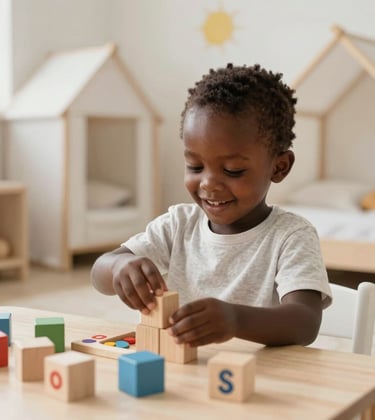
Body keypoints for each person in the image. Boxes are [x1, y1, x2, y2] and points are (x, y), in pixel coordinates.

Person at [91, 63, 332, 348]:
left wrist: (235, 320)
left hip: (259, 379)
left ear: (279, 167)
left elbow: (304, 322)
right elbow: (99, 273)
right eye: (195, 166)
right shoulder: (178, 225)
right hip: (187, 374)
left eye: (232, 170)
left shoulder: (291, 235)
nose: (208, 184)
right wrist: (120, 267)